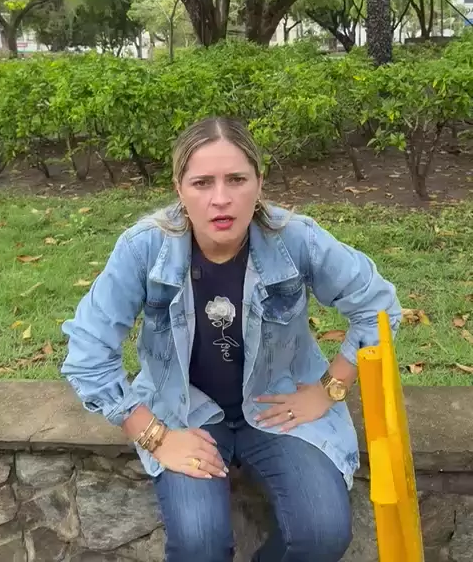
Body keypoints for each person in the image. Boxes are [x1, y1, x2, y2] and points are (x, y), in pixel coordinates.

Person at [62, 116, 402, 562]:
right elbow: (88, 352)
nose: (220, 199)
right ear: (179, 188)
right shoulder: (144, 249)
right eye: (202, 182)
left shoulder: (294, 239)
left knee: (322, 533)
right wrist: (154, 435)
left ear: (259, 183)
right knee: (198, 544)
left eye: (236, 179)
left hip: (277, 403)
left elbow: (378, 308)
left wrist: (329, 388)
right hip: (183, 411)